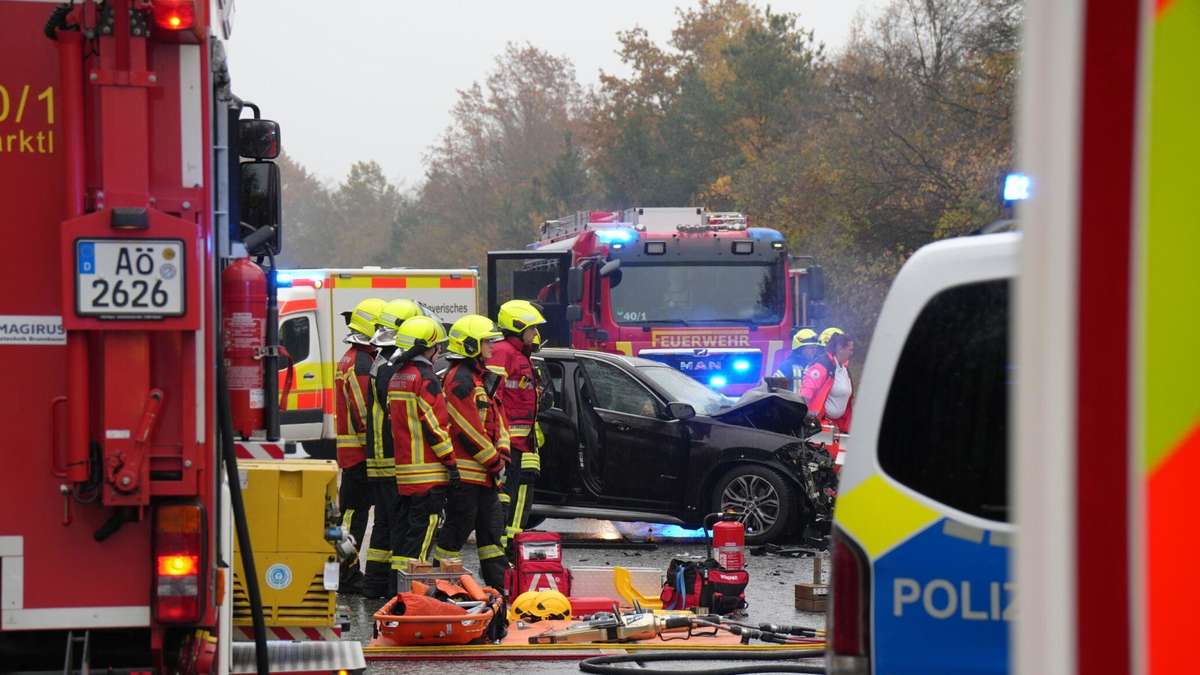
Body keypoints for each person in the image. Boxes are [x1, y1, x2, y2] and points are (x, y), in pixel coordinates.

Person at [435, 315, 512, 589]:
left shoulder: (480, 379)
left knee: (492, 534)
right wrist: (494, 461)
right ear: (470, 345)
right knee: (455, 532)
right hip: (468, 476)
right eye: (486, 342)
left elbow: (499, 418)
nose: (491, 347)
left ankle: (500, 589)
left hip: (486, 476)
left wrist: (502, 453)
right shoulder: (460, 379)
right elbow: (467, 427)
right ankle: (442, 587)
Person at [360, 298, 424, 598]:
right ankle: (393, 589)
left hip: (378, 456)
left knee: (384, 526)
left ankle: (375, 585)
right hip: (390, 458)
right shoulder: (390, 366)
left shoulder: (380, 360)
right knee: (396, 525)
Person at [386, 315, 458, 574]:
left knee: (405, 534)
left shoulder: (397, 377)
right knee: (424, 535)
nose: (438, 351)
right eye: (437, 346)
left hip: (405, 474)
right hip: (428, 474)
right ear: (428, 347)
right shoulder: (425, 378)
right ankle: (414, 592)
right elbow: (436, 426)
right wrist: (451, 463)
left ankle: (397, 584)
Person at [333, 297, 384, 594]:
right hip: (360, 455)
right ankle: (347, 574)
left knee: (354, 516)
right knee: (354, 518)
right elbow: (365, 412)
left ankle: (347, 573)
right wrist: (377, 445)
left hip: (354, 454)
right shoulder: (361, 362)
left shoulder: (352, 357)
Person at [487, 299, 547, 550]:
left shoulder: (519, 355)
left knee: (520, 494)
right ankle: (502, 550)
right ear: (518, 326)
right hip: (508, 442)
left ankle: (511, 545)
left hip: (522, 442)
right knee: (506, 498)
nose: (535, 334)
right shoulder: (503, 353)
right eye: (532, 329)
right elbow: (492, 396)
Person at [798, 329, 855, 432]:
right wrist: (807, 419)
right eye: (850, 349)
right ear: (840, 349)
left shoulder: (844, 369)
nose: (852, 353)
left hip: (838, 425)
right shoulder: (822, 365)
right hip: (820, 423)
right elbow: (806, 392)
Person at [773, 327, 821, 394]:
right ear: (800, 349)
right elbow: (774, 387)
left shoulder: (816, 365)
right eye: (810, 348)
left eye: (815, 348)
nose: (814, 351)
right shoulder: (787, 366)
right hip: (793, 403)